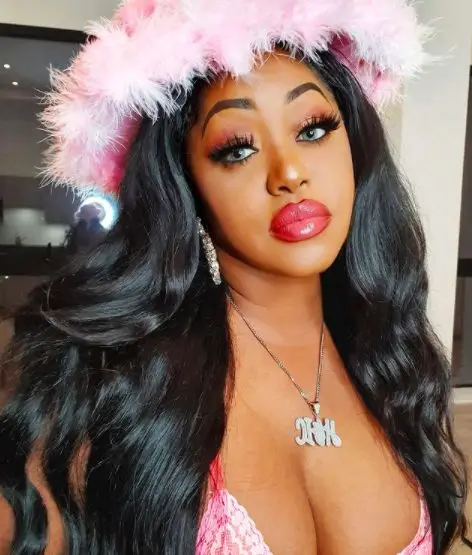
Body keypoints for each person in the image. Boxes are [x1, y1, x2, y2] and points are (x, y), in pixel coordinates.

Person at [0, 0, 470, 554]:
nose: (289, 173)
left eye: (313, 129)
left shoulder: (393, 363)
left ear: (356, 147)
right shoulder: (117, 392)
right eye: (237, 149)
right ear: (187, 187)